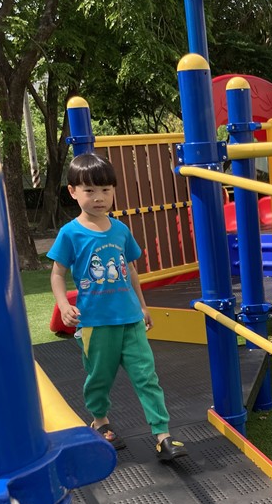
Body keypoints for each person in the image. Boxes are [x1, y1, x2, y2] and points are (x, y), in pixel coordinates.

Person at [48, 152, 187, 462]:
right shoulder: (70, 233)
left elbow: (131, 270)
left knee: (147, 376)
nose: (99, 197)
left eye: (106, 190)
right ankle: (100, 421)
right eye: (89, 190)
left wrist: (143, 306)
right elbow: (57, 274)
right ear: (72, 192)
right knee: (99, 377)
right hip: (96, 323)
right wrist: (63, 304)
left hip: (130, 319)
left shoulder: (120, 230)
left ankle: (162, 435)